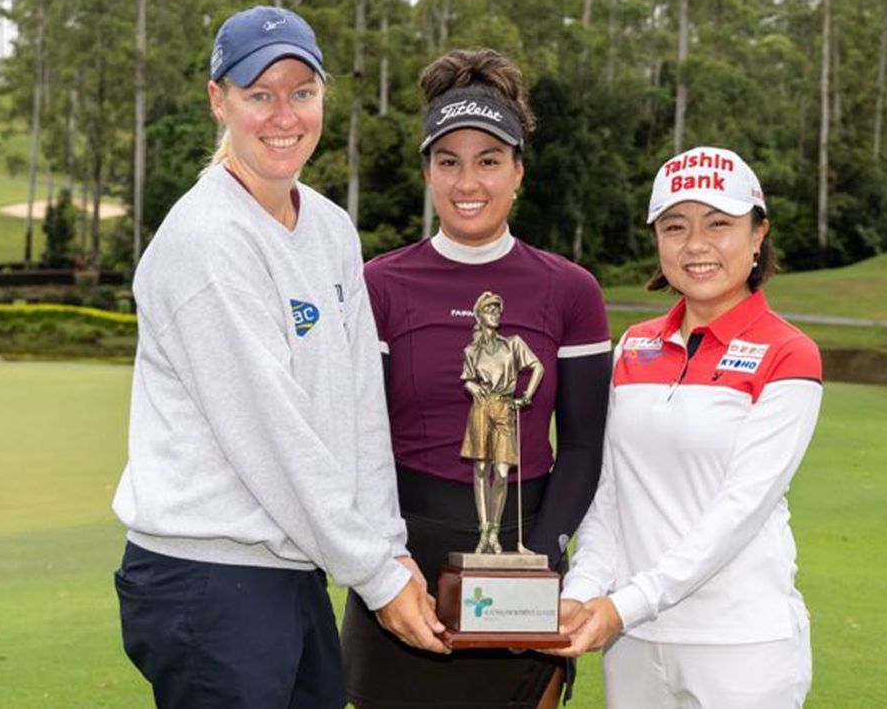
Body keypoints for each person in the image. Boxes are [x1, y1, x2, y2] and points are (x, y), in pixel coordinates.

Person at [110, 5, 446, 709]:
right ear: (218, 101)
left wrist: (387, 546)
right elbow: (273, 435)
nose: (282, 114)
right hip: (206, 577)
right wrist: (377, 577)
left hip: (289, 569)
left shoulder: (328, 226)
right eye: (258, 94)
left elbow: (357, 407)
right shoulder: (208, 239)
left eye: (301, 91)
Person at [341, 49, 612, 709]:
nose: (470, 181)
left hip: (525, 548)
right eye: (449, 160)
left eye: (489, 160)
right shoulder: (377, 284)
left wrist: (543, 557)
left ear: (519, 171)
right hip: (405, 558)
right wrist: (384, 563)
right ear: (428, 171)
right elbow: (355, 441)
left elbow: (582, 445)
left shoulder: (570, 290)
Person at [548, 146, 823, 708]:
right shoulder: (635, 346)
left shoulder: (790, 353)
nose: (695, 245)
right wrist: (581, 592)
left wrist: (623, 604)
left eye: (719, 224)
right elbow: (611, 496)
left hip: (739, 643)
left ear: (758, 234)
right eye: (675, 226)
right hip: (634, 640)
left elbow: (738, 511)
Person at [459, 290, 545, 554]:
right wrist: (472, 386)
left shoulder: (513, 344)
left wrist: (526, 397)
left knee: (503, 472)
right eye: (489, 310)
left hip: (505, 407)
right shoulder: (471, 350)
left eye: (497, 310)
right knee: (482, 469)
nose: (495, 314)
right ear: (479, 315)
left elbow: (538, 367)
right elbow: (468, 378)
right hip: (481, 408)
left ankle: (495, 530)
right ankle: (484, 533)